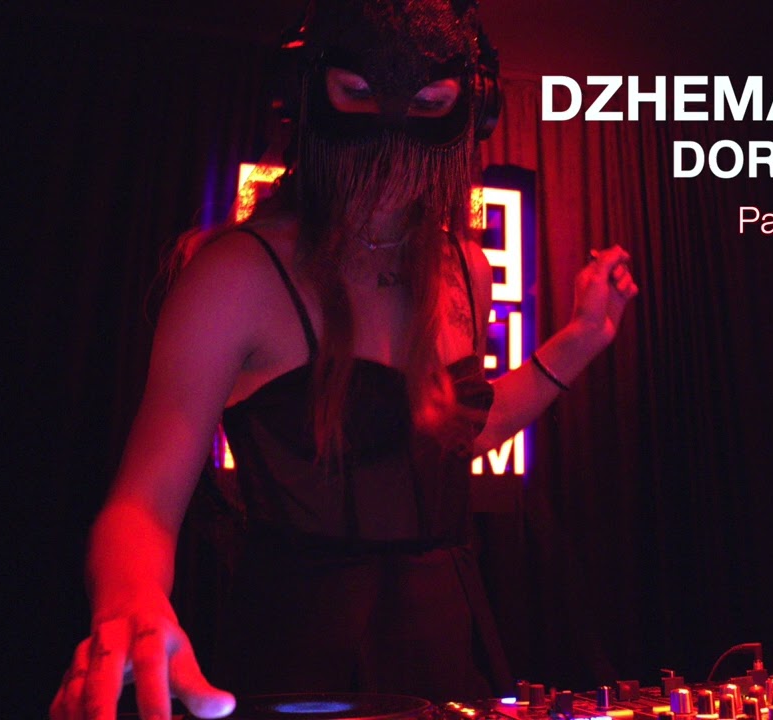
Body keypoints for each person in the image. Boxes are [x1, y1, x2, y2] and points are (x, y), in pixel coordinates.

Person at [50, 1, 638, 718]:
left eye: (429, 104)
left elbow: (454, 433)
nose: (391, 146)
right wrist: (130, 600)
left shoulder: (464, 267)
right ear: (307, 94)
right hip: (299, 657)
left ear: (470, 113)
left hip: (449, 649)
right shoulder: (238, 273)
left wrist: (581, 337)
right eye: (358, 94)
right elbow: (144, 501)